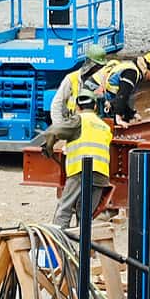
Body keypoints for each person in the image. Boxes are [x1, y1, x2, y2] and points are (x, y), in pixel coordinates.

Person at [53, 93, 113, 230]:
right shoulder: (104, 127)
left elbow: (55, 132)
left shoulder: (78, 120)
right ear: (96, 107)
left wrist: (48, 147)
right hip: (101, 175)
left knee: (64, 209)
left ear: (78, 108)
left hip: (80, 171)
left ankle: (58, 246)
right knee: (85, 213)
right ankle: (83, 248)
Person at [94, 49, 150, 122]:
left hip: (98, 91)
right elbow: (122, 95)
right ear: (146, 67)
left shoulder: (131, 67)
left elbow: (122, 98)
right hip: (96, 91)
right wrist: (118, 118)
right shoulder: (132, 73)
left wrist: (132, 113)